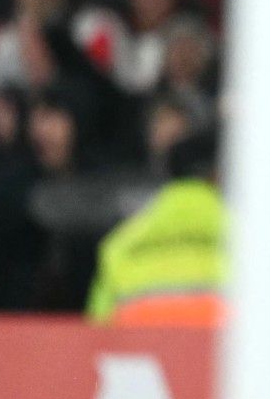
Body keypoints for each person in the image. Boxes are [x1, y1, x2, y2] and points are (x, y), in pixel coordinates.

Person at [86, 132, 225, 325]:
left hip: (143, 352)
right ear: (218, 174)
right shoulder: (256, 243)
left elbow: (98, 334)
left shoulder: (119, 246)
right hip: (221, 354)